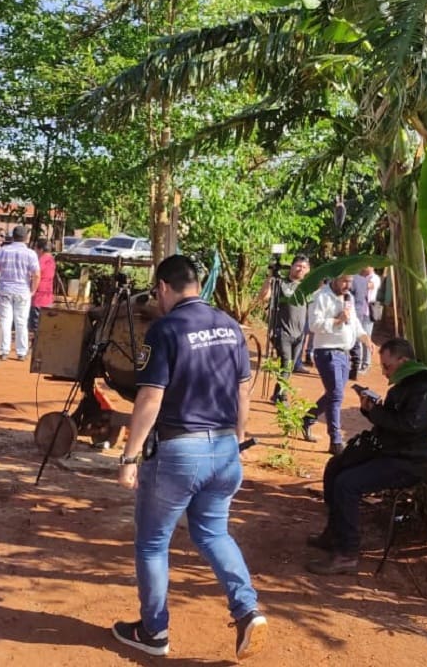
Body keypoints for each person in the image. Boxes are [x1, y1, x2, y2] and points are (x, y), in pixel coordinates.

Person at [112, 255, 267, 661]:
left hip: (179, 452)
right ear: (196, 284)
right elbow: (243, 392)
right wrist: (237, 440)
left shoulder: (166, 330)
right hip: (224, 451)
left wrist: (129, 458)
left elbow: (150, 396)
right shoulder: (231, 327)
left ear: (163, 287)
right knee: (214, 534)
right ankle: (247, 608)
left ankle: (154, 631)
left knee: (152, 544)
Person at [305, 338, 427, 575]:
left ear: (404, 361)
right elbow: (392, 422)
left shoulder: (425, 387)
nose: (385, 373)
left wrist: (375, 411)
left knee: (347, 484)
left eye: (387, 367)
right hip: (392, 452)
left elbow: (408, 426)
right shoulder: (404, 384)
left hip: (409, 461)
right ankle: (334, 533)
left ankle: (347, 554)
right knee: (335, 467)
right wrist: (371, 409)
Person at [302, 273, 369, 454]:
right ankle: (336, 440)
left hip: (344, 353)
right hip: (327, 352)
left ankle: (308, 418)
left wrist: (364, 337)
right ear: (335, 279)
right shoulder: (320, 297)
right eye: (344, 281)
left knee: (333, 393)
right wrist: (337, 320)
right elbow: (314, 325)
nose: (348, 285)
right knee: (337, 394)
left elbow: (354, 322)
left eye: (350, 281)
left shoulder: (349, 298)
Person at [257, 254, 312, 402]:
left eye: (304, 267)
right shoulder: (280, 283)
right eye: (298, 265)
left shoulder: (307, 287)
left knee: (290, 366)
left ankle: (277, 393)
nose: (301, 269)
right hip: (282, 331)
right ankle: (282, 396)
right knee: (286, 363)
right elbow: (264, 297)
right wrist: (270, 277)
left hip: (300, 333)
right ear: (292, 267)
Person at [0, 225, 40, 361]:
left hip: (5, 289)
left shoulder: (3, 251)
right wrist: (33, 290)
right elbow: (36, 274)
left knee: (5, 321)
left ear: (13, 237)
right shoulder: (31, 254)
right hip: (22, 290)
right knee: (21, 321)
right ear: (26, 238)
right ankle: (21, 352)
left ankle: (4, 351)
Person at [350, 266, 378, 375]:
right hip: (361, 312)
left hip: (367, 313)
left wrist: (358, 279)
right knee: (358, 337)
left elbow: (369, 286)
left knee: (366, 337)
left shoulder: (374, 278)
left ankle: (366, 363)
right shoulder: (362, 278)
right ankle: (359, 362)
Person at [29, 238, 56, 337]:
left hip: (39, 293)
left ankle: (36, 342)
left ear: (40, 249)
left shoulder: (43, 259)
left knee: (37, 323)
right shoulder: (51, 258)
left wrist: (32, 290)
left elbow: (36, 273)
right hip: (46, 293)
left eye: (35, 248)